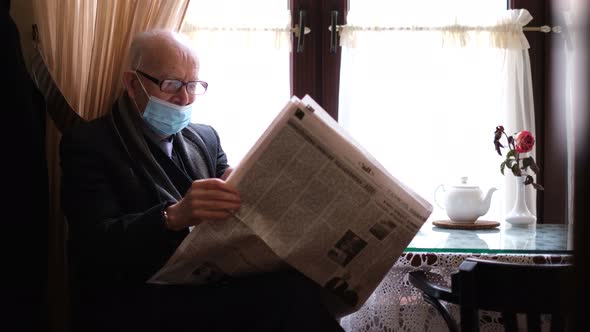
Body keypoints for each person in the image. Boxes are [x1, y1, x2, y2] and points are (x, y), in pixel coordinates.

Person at [60, 29, 344, 332]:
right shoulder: (91, 144)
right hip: (142, 297)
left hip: (208, 282)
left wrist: (245, 187)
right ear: (133, 83)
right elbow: (95, 244)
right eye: (170, 84)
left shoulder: (205, 138)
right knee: (288, 299)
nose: (183, 98)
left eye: (193, 85)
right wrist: (172, 216)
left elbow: (230, 191)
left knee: (299, 284)